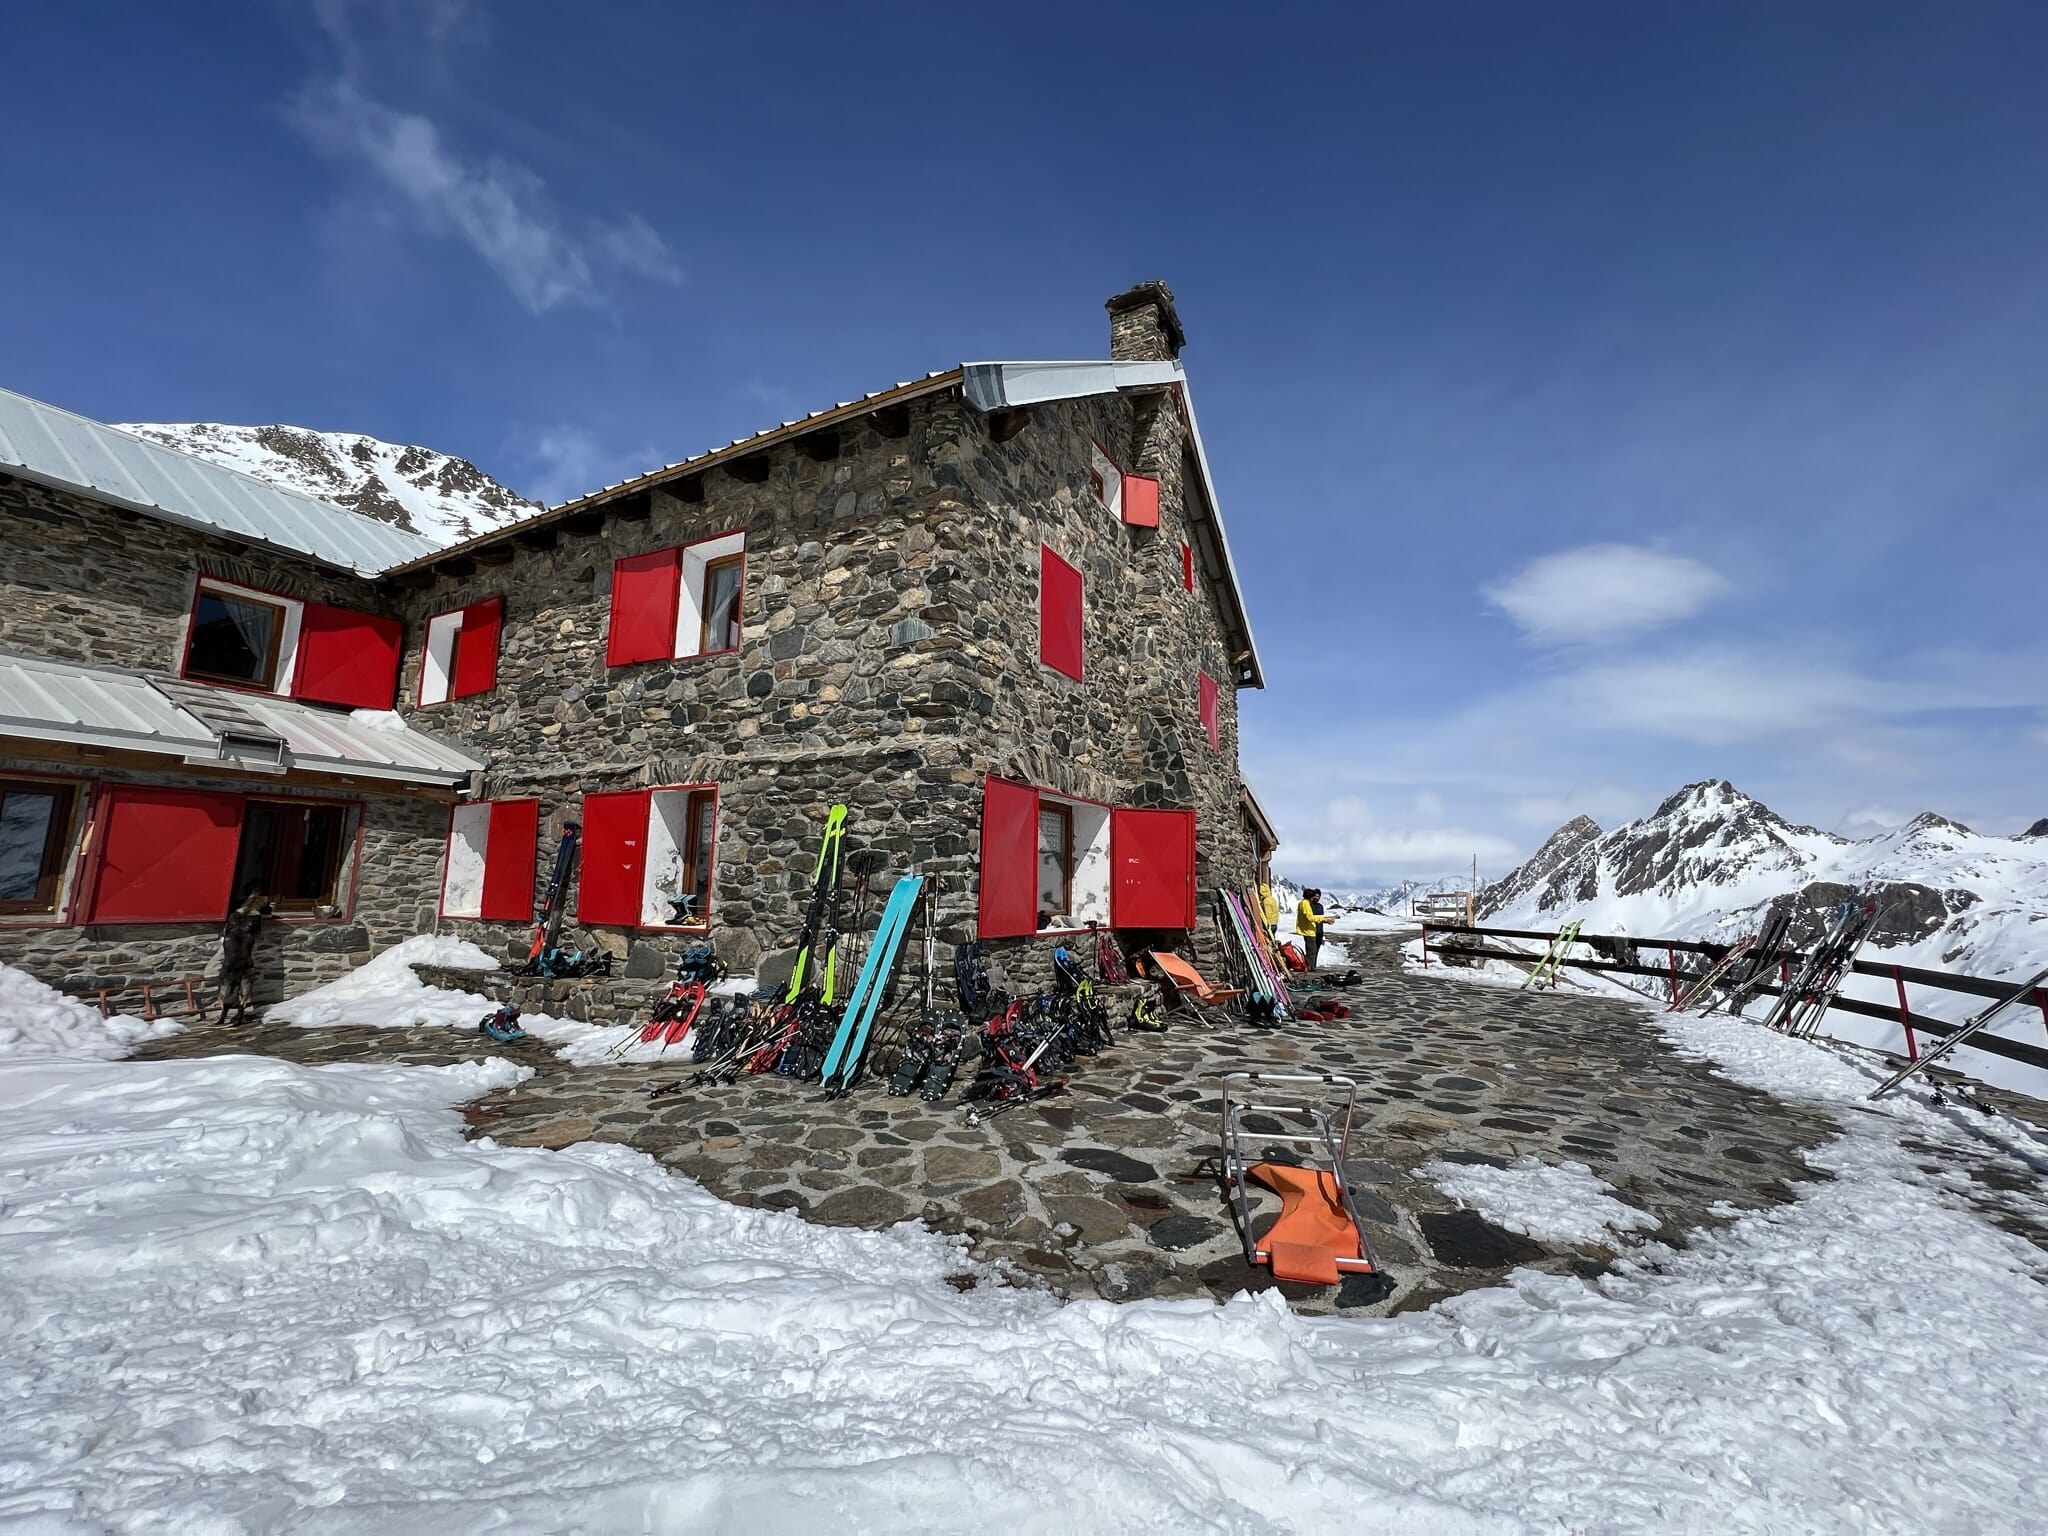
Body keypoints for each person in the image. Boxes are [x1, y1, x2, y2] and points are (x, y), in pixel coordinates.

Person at [1296, 887, 1334, 971]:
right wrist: (1324, 919)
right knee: (1311, 951)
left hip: (1315, 930)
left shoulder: (1310, 904)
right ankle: (1310, 967)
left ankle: (1312, 967)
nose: (1315, 898)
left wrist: (1325, 920)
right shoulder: (1306, 904)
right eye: (1314, 896)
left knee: (1313, 950)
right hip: (1309, 931)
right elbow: (1310, 917)